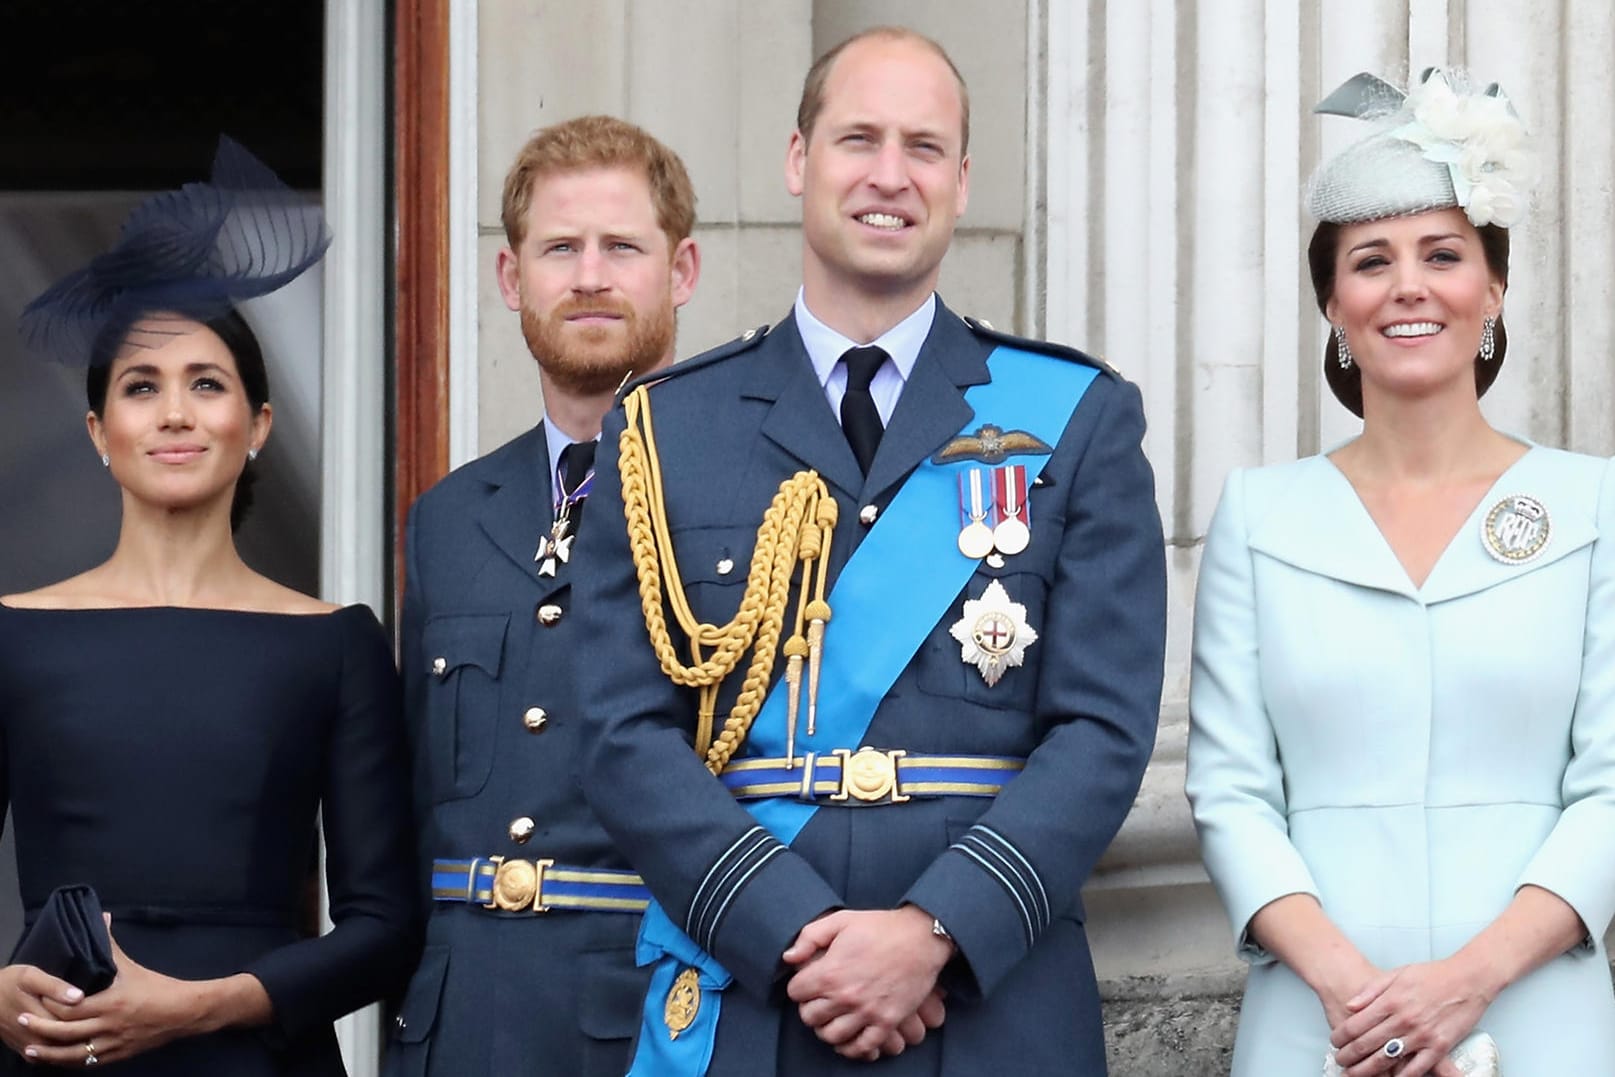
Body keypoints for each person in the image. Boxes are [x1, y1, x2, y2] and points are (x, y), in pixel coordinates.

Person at [570, 27, 1166, 1076]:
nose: (889, 175)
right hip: (756, 994)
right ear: (799, 160)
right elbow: (623, 732)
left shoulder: (1075, 418)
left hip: (989, 1001)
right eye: (858, 139)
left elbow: (1103, 732)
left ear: (962, 180)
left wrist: (934, 931)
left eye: (924, 147)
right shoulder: (666, 429)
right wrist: (794, 933)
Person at [1186, 70, 1615, 1077]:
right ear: (1333, 304)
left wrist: (1465, 978)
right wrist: (1355, 992)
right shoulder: (1260, 516)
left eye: (1442, 255)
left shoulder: (1593, 505)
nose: (1408, 286)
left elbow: (1609, 788)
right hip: (1318, 1024)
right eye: (1370, 261)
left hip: (1536, 1011)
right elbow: (1231, 792)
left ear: (1492, 287)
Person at [0, 138, 419, 1074]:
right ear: (100, 432)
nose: (176, 413)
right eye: (142, 388)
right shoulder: (13, 633)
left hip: (257, 1056)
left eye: (207, 383)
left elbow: (387, 922)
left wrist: (207, 1005)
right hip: (61, 1048)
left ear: (258, 424)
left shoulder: (338, 644)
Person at [384, 115, 700, 1077]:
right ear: (512, 278)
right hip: (459, 1022)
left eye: (621, 247)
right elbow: (414, 807)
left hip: (654, 1019)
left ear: (680, 271)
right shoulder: (444, 519)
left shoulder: (757, 501)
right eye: (560, 247)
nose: (590, 275)